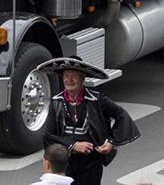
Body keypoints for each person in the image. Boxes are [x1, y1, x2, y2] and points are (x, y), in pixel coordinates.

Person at [43, 57, 140, 185]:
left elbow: (121, 115)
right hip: (65, 163)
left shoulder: (97, 100)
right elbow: (48, 136)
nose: (69, 80)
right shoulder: (56, 102)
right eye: (66, 76)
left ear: (83, 78)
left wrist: (111, 142)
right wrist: (73, 146)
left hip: (91, 163)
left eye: (74, 76)